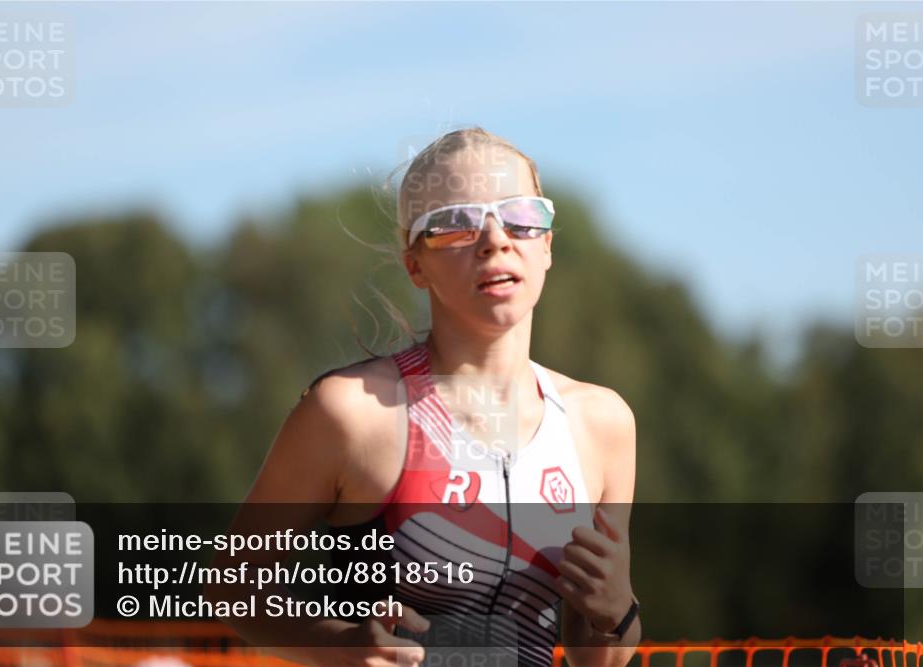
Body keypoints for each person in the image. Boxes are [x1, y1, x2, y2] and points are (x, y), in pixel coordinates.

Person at [208, 127, 640, 667]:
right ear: (415, 265)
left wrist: (617, 611)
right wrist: (339, 644)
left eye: (521, 215)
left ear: (547, 243)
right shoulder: (350, 412)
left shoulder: (602, 424)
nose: (494, 239)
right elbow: (229, 591)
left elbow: (597, 659)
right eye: (453, 225)